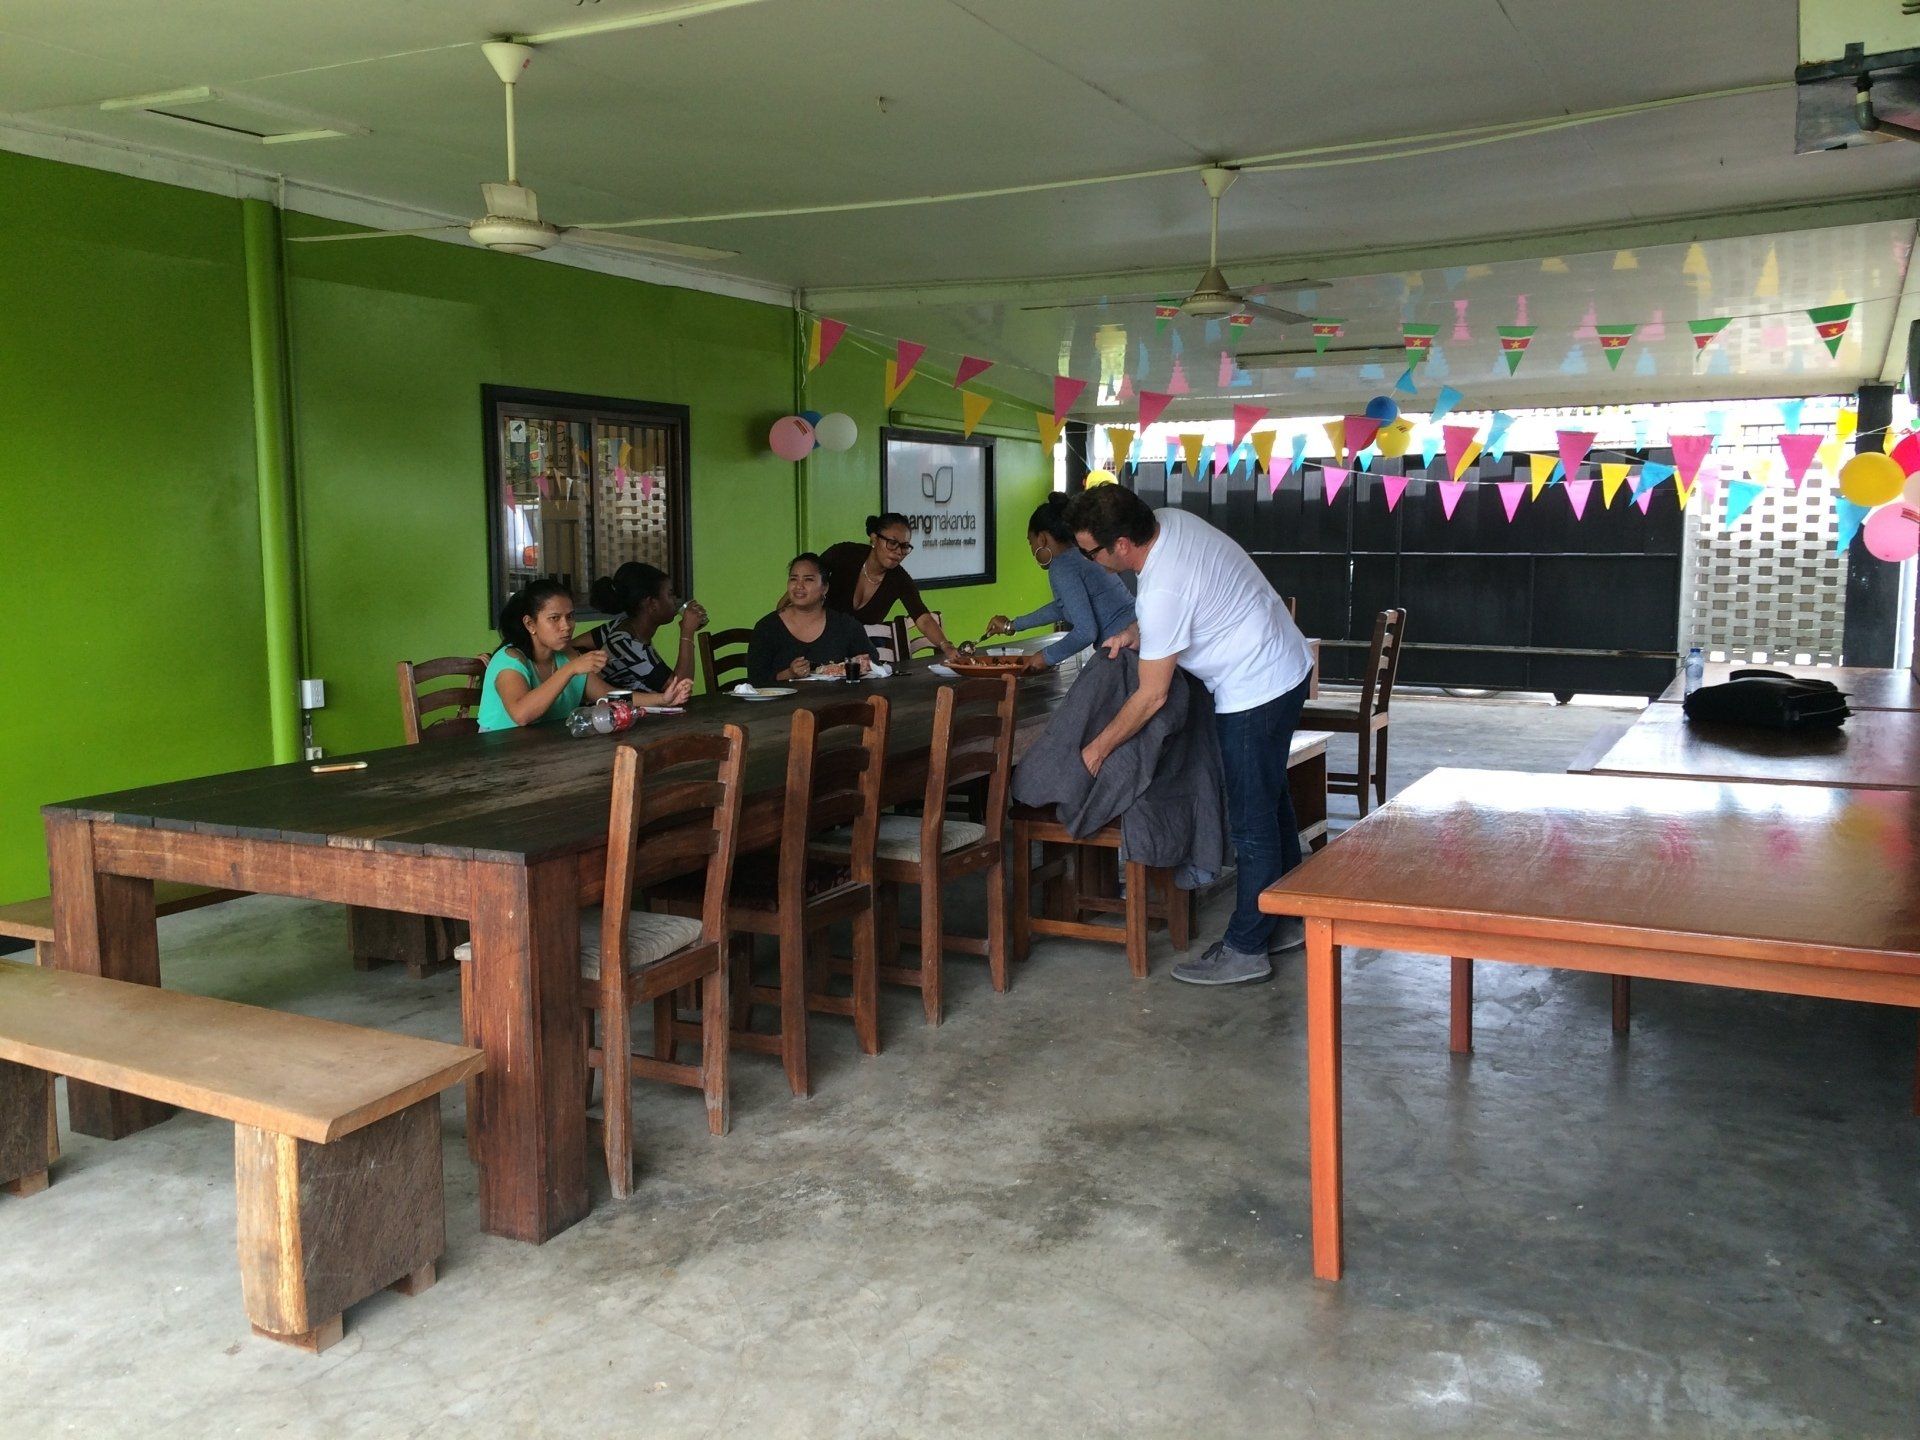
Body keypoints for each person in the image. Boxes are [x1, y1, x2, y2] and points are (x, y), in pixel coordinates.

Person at [1065, 486, 1316, 986]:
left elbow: (1151, 695)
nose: (1088, 561)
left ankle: (1247, 947)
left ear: (1120, 545)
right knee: (1270, 803)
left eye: (1090, 552)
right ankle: (1284, 919)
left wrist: (1096, 749)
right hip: (1283, 666)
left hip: (1255, 687)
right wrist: (1138, 633)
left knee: (1251, 822)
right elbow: (1191, 604)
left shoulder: (1162, 588)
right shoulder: (1167, 522)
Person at [478, 579, 688, 733]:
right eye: (554, 618)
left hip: (548, 751)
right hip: (500, 755)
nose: (566, 626)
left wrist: (662, 699)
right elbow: (521, 715)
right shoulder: (510, 660)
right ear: (530, 624)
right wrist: (570, 669)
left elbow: (607, 695)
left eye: (570, 616)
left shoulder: (566, 655)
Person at [984, 492, 1136, 667]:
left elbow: (1086, 632)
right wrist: (1012, 625)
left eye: (1031, 543)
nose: (1032, 551)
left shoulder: (1061, 566)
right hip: (1138, 635)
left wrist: (1045, 657)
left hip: (1124, 649)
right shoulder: (1082, 555)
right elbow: (1064, 606)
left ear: (1042, 539)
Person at [818, 513, 962, 662]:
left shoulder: (899, 579)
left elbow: (922, 618)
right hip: (822, 644)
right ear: (874, 538)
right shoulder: (844, 554)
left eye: (904, 546)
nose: (899, 551)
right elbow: (809, 575)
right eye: (892, 543)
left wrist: (946, 645)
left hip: (863, 654)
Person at [747, 553, 881, 685]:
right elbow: (756, 680)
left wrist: (860, 664)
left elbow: (873, 660)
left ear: (825, 588)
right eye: (793, 579)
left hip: (836, 698)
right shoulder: (767, 628)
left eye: (808, 579)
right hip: (784, 700)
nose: (799, 586)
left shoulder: (844, 625)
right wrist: (788, 674)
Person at [581, 561, 707, 693]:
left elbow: (576, 644)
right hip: (614, 707)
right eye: (670, 594)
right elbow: (680, 690)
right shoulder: (626, 646)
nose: (675, 599)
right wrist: (687, 633)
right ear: (652, 604)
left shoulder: (620, 626)